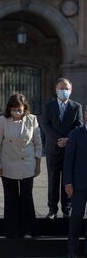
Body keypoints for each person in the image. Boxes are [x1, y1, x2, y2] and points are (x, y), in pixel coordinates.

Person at [0, 94, 42, 239]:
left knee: (27, 197)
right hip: (8, 164)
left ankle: (28, 230)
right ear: (9, 109)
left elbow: (38, 143)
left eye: (19, 110)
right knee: (11, 198)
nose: (17, 113)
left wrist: (38, 164)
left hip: (27, 164)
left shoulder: (32, 119)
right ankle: (11, 231)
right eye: (14, 110)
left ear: (24, 108)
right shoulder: (3, 120)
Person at [42, 78, 83, 220]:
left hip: (70, 149)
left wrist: (68, 139)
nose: (64, 91)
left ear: (71, 90)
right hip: (53, 149)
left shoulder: (76, 107)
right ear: (56, 90)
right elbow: (45, 124)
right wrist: (57, 140)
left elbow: (79, 126)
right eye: (61, 88)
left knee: (68, 179)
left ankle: (67, 209)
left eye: (66, 88)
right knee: (53, 180)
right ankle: (52, 209)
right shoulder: (49, 106)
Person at [64, 107, 87, 258]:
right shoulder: (76, 134)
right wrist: (68, 183)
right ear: (85, 115)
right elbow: (68, 161)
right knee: (76, 218)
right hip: (79, 185)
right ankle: (72, 250)